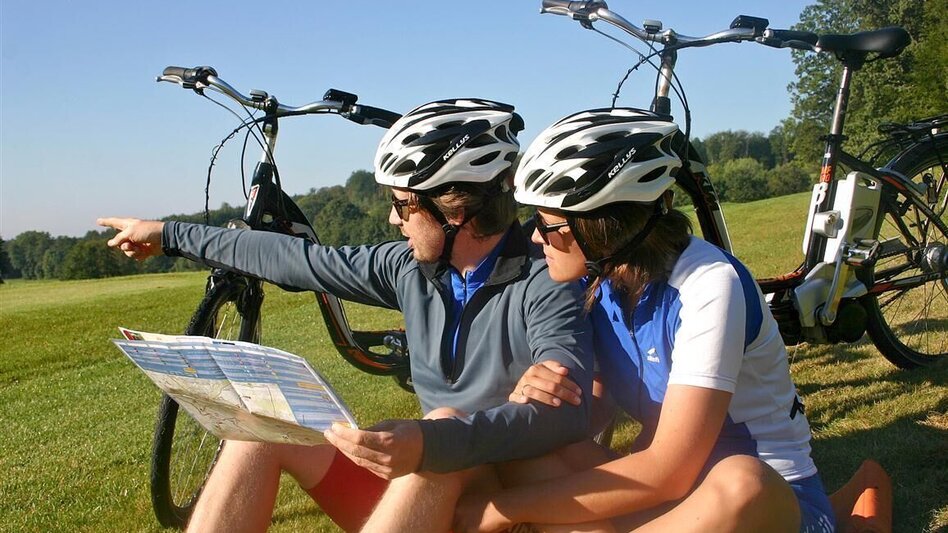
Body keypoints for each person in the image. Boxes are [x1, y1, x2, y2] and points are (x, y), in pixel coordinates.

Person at [99, 99, 594, 532]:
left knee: (442, 429)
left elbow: (567, 414)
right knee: (262, 426)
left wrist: (432, 441)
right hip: (422, 496)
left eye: (402, 204)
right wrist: (168, 234)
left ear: (454, 209)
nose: (393, 218)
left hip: (501, 506)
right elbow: (297, 259)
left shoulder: (545, 277)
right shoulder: (409, 268)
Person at [454, 107, 836, 533]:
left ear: (601, 225)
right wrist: (545, 399)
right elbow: (597, 408)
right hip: (673, 497)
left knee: (740, 481)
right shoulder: (597, 282)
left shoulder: (708, 283)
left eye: (548, 223)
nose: (535, 236)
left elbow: (669, 470)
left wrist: (503, 508)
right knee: (529, 446)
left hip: (768, 500)